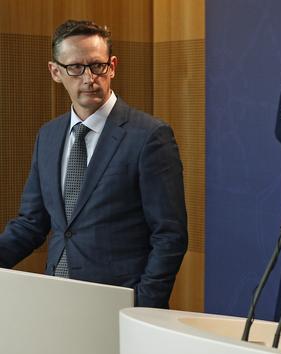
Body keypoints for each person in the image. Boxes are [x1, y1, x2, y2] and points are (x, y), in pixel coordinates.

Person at [0, 20, 188, 309]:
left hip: (119, 305)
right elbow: (31, 223)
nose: (89, 78)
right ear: (55, 71)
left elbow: (169, 235)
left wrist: (142, 306)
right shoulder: (48, 136)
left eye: (97, 66)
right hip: (55, 299)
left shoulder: (150, 136)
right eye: (75, 67)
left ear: (112, 66)